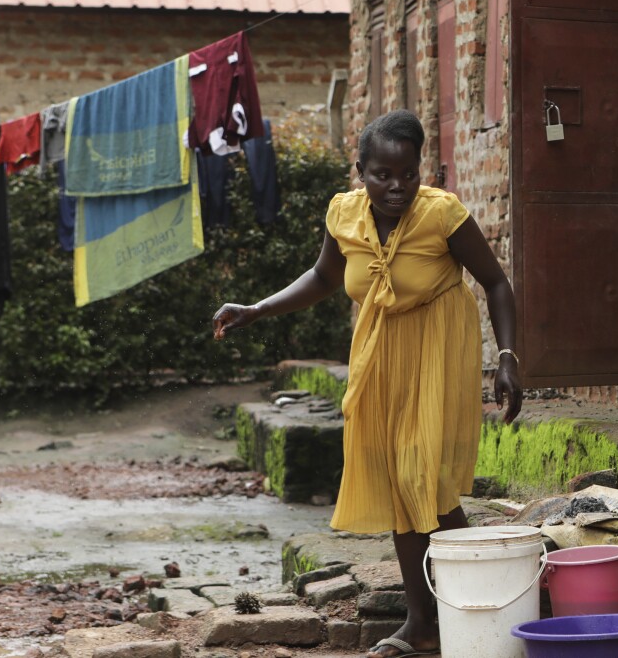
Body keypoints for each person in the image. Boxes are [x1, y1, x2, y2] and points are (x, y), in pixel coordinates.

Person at [212, 110, 522, 658]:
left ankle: (482, 598)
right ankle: (428, 622)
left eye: (408, 173)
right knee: (398, 479)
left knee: (420, 471)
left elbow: (495, 282)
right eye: (383, 174)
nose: (397, 186)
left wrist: (506, 358)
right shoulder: (343, 214)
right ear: (361, 170)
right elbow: (325, 278)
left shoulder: (442, 214)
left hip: (437, 346)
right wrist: (257, 309)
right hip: (378, 354)